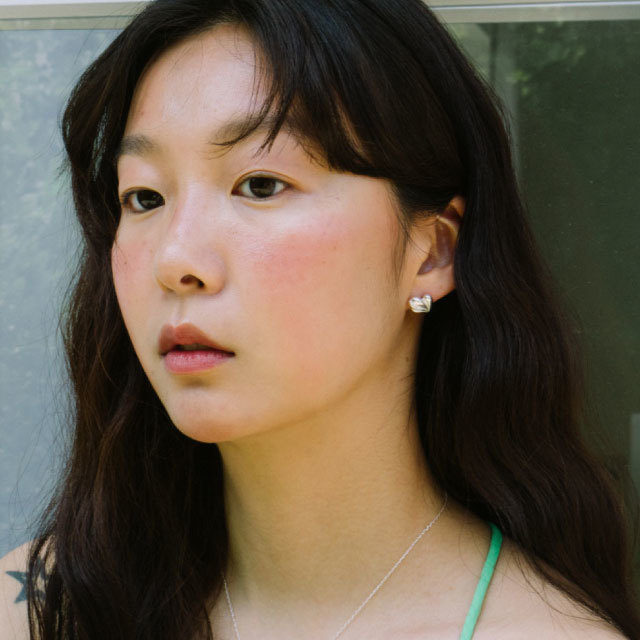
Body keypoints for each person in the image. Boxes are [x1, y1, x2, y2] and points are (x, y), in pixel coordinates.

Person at [1, 0, 638, 638]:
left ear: (434, 252)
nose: (175, 260)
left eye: (260, 184)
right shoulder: (36, 611)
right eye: (144, 197)